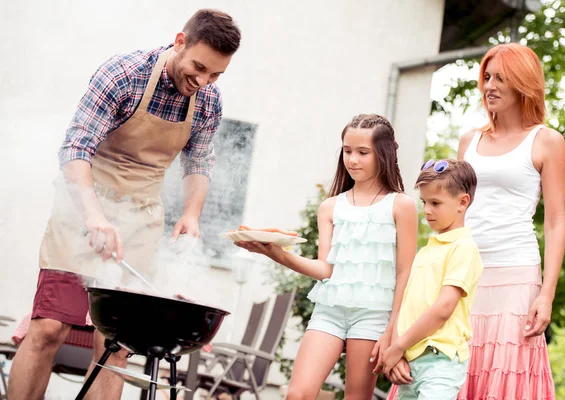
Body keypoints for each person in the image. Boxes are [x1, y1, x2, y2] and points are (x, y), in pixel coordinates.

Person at [8, 9, 241, 400]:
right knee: (48, 328)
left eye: (215, 75)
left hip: (140, 220)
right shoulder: (122, 74)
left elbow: (199, 159)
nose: (203, 81)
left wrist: (191, 213)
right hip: (81, 211)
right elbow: (75, 148)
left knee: (116, 345)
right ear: (179, 41)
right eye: (199, 68)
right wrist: (95, 216)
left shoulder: (208, 101)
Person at [235, 114, 418, 399]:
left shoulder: (401, 206)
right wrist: (275, 253)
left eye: (362, 152)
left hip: (373, 316)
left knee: (356, 397)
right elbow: (325, 269)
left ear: (384, 153)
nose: (352, 159)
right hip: (329, 312)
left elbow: (405, 272)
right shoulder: (331, 207)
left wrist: (393, 332)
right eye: (347, 151)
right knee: (298, 394)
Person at [457, 43, 565, 399]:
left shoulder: (547, 141)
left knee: (504, 379)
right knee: (455, 368)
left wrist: (546, 294)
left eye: (501, 78)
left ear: (523, 83)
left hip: (516, 275)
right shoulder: (469, 141)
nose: (490, 85)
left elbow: (554, 223)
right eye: (487, 77)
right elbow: (454, 212)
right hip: (465, 272)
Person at [380, 159, 483, 399]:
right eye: (424, 202)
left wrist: (398, 347)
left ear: (463, 202)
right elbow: (407, 307)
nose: (427, 210)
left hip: (440, 361)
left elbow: (443, 308)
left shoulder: (463, 248)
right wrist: (399, 354)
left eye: (435, 203)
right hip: (409, 362)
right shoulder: (427, 250)